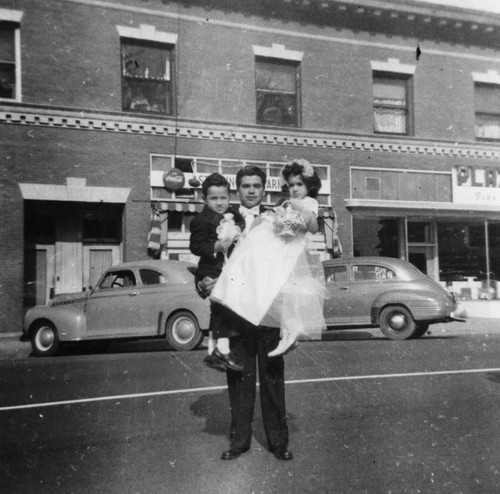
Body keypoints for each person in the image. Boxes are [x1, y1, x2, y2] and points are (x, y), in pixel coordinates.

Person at [198, 165, 294, 461]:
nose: (251, 190)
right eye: (245, 186)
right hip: (235, 315)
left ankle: (278, 442)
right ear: (236, 190)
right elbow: (206, 261)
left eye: (256, 185)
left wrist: (289, 316)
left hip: (268, 312)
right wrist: (202, 282)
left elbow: (288, 265)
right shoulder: (225, 217)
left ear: (264, 189)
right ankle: (239, 441)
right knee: (239, 379)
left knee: (272, 378)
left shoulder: (278, 219)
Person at [211, 159, 327, 357]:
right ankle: (222, 341)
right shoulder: (225, 215)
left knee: (284, 289)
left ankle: (288, 333)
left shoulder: (308, 204)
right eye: (291, 185)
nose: (295, 189)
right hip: (247, 290)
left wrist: (301, 213)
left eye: (299, 184)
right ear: (237, 189)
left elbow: (314, 227)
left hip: (286, 250)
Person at [189, 173, 245, 372]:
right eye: (214, 198)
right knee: (221, 307)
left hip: (230, 269)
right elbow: (196, 246)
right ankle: (219, 350)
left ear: (229, 198)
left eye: (223, 198)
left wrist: (236, 229)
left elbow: (241, 222)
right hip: (212, 269)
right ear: (204, 199)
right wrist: (217, 245)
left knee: (225, 309)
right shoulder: (200, 220)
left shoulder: (233, 213)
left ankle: (218, 349)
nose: (219, 203)